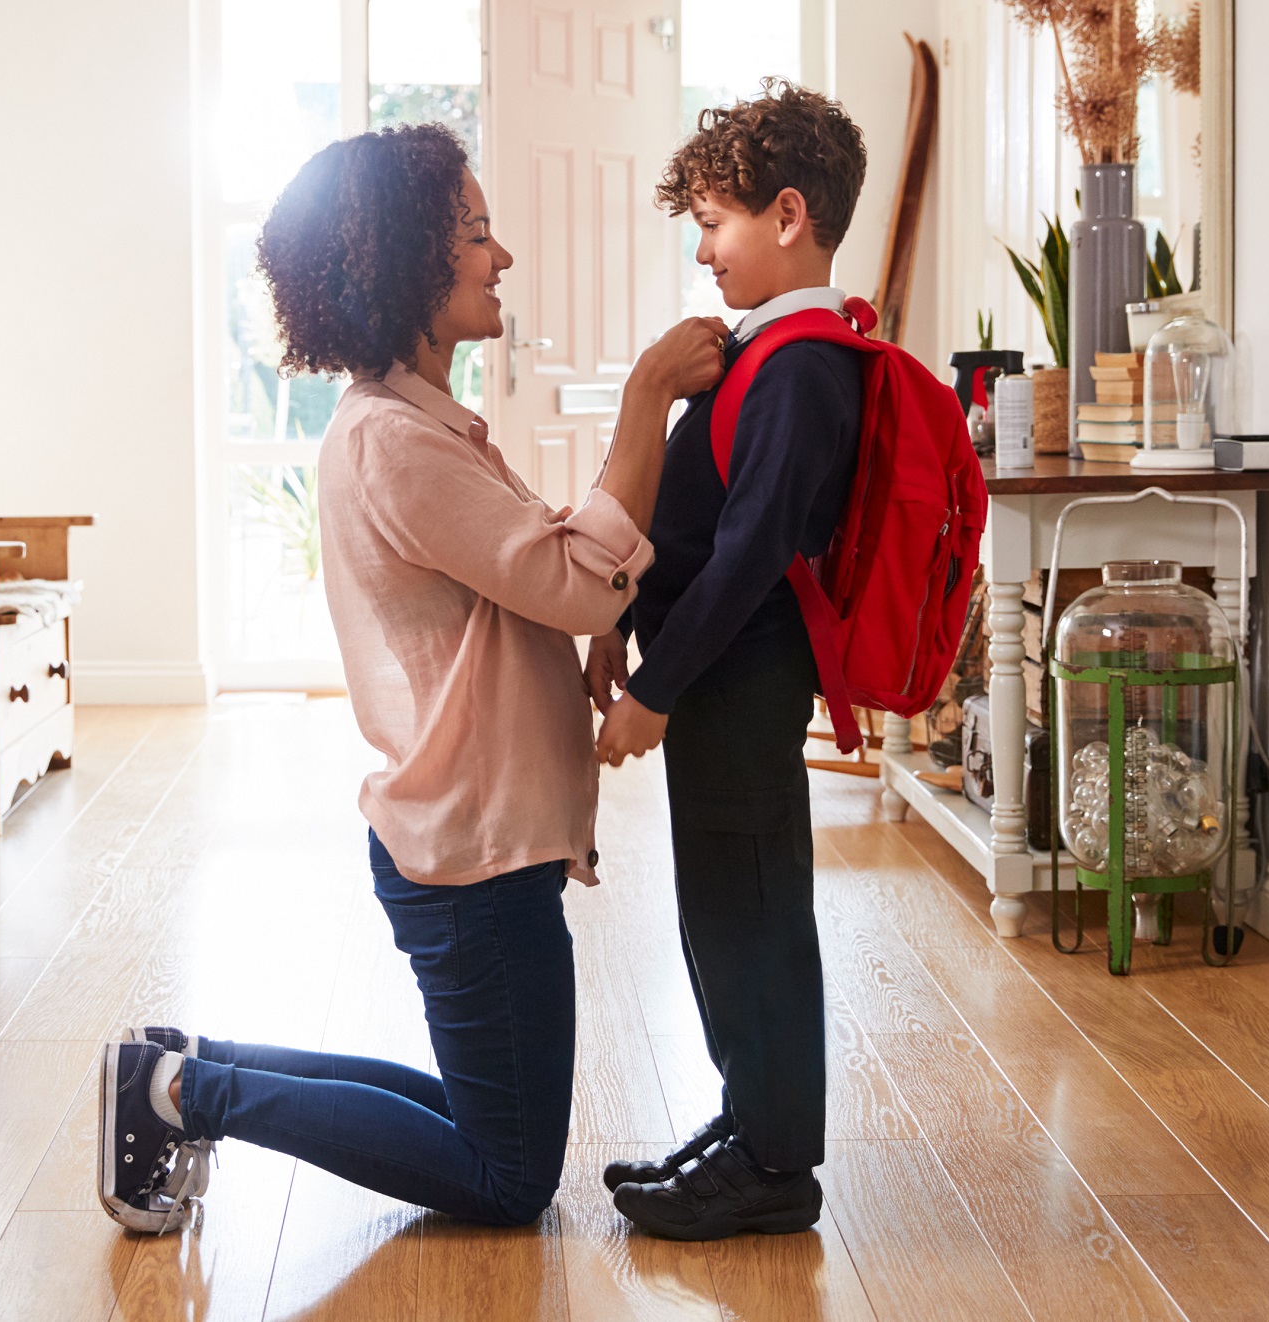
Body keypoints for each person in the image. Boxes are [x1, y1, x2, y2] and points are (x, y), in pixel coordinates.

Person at [96, 122, 730, 1232]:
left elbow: (535, 573)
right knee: (507, 1174)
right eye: (477, 234)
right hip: (474, 855)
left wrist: (593, 613)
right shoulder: (395, 441)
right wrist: (646, 397)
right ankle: (188, 1094)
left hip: (471, 839)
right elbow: (575, 578)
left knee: (486, 1120)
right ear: (406, 266)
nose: (502, 256)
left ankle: (182, 1065)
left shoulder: (416, 424)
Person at [585, 80, 870, 1241]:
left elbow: (751, 553)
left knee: (752, 914)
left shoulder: (803, 364)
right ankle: (749, 1120)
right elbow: (695, 517)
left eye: (713, 223)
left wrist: (655, 689)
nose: (701, 250)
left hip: (740, 680)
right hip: (715, 678)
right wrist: (619, 622)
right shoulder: (763, 352)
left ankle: (775, 1163)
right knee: (718, 908)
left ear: (787, 215)